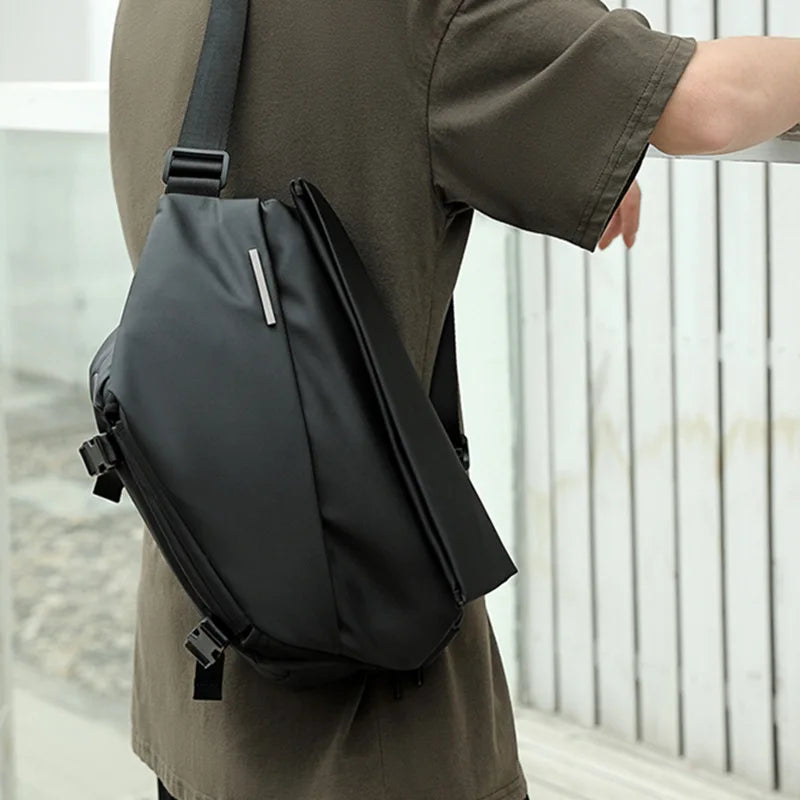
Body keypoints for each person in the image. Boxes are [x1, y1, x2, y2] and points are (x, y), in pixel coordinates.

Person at [107, 0, 798, 798]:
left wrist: (587, 121)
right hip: (366, 710)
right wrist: (614, 105)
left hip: (199, 659)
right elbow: (705, 104)